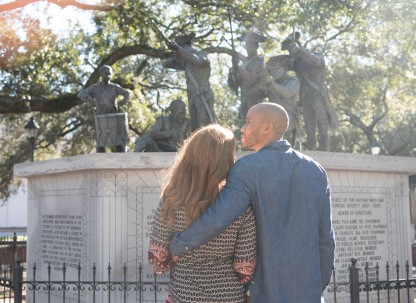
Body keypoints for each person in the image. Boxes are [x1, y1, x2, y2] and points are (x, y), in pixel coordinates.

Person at [170, 103, 335, 303]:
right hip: (310, 293)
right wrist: (317, 284)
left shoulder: (247, 168)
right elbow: (326, 238)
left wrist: (178, 245)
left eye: (248, 123)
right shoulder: (316, 170)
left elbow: (219, 218)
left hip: (266, 292)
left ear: (267, 128)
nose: (242, 128)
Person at [149, 124, 257, 303]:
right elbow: (244, 270)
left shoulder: (172, 201)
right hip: (227, 296)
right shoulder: (238, 207)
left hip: (184, 295)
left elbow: (157, 263)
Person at [281, 32, 337, 151]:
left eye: (291, 48)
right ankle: (312, 153)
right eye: (289, 49)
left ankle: (326, 152)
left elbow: (316, 61)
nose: (290, 52)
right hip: (305, 98)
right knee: (309, 128)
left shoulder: (317, 55)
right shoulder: (296, 63)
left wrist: (300, 51)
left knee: (323, 125)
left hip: (318, 95)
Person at [164, 33, 217, 131]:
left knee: (204, 126)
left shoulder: (201, 55)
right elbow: (167, 63)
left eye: (180, 48)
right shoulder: (186, 62)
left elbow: (197, 61)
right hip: (192, 97)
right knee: (195, 128)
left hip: (203, 96)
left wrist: (178, 49)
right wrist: (176, 53)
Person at [77, 65, 131, 153]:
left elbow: (127, 93)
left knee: (119, 144)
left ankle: (122, 162)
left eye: (109, 74)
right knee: (100, 144)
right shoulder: (95, 87)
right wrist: (90, 99)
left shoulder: (114, 87)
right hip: (101, 116)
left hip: (113, 117)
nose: (108, 76)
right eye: (106, 74)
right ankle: (100, 163)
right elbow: (81, 94)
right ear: (101, 74)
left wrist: (122, 102)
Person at [228, 31, 267, 123]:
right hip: (244, 100)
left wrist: (237, 68)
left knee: (256, 124)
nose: (248, 47)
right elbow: (235, 86)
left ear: (256, 46)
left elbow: (251, 79)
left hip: (255, 100)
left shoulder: (259, 61)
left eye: (251, 45)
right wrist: (231, 76)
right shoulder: (243, 64)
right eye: (247, 44)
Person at [264, 54, 300, 146]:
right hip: (272, 117)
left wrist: (271, 84)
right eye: (271, 71)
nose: (274, 72)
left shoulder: (293, 81)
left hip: (289, 116)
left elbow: (287, 93)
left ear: (285, 69)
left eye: (276, 69)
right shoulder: (270, 84)